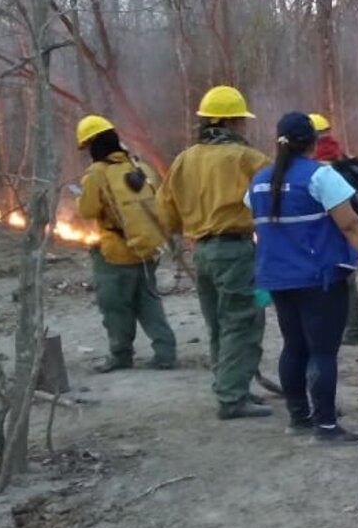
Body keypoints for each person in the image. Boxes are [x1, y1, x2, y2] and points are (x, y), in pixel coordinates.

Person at [246, 113, 358, 445]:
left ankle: (299, 418)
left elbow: (259, 226)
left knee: (293, 347)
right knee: (323, 352)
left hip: (278, 279)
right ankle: (326, 426)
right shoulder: (320, 177)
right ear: (313, 142)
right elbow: (351, 224)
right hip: (320, 279)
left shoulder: (258, 181)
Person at [156, 85, 273, 420]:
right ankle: (232, 397)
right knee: (243, 321)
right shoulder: (248, 159)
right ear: (231, 122)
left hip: (203, 253)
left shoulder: (184, 160)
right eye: (241, 121)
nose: (244, 127)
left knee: (218, 324)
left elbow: (165, 211)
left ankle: (229, 384)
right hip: (236, 252)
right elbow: (274, 197)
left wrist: (183, 233)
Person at [74, 115, 177, 373]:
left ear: (93, 145)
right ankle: (166, 352)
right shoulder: (139, 166)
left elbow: (87, 210)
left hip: (115, 254)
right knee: (149, 302)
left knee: (115, 306)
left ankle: (121, 355)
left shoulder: (96, 173)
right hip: (147, 250)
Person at [308, 113, 358, 346]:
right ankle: (351, 329)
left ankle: (353, 331)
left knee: (339, 281)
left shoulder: (318, 167)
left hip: (335, 231)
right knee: (343, 279)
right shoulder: (348, 159)